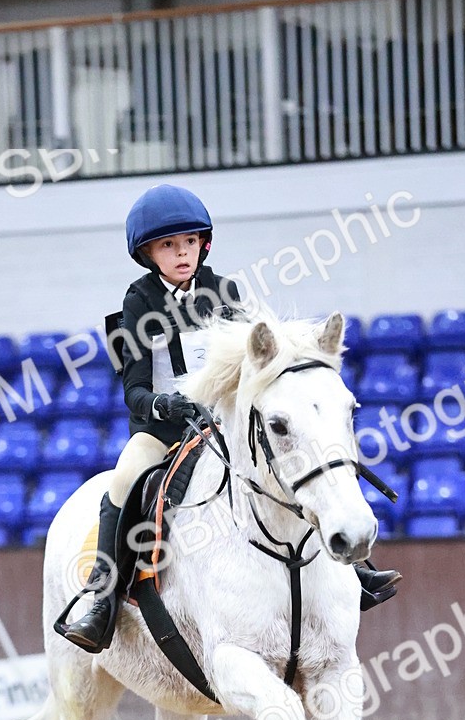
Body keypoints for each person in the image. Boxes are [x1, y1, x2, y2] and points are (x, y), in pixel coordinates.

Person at [56, 183, 400, 654]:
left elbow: (254, 368)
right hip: (165, 431)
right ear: (148, 253)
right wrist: (169, 405)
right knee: (125, 476)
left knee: (294, 462)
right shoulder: (136, 304)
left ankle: (351, 567)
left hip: (222, 427)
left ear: (203, 243)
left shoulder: (225, 291)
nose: (182, 254)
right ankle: (102, 595)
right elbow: (133, 392)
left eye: (189, 243)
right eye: (169, 246)